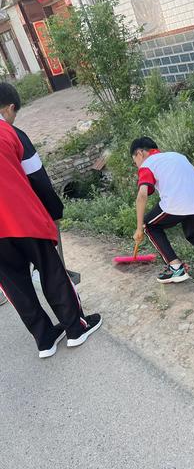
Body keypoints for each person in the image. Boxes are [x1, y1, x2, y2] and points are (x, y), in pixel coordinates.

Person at [0, 82, 101, 358]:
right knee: (51, 270)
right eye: (14, 113)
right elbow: (38, 179)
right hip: (22, 219)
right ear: (10, 108)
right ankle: (75, 328)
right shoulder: (11, 133)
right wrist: (55, 210)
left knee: (15, 286)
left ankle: (44, 339)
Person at [131, 136, 194, 283]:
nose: (137, 165)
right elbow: (191, 181)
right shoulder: (178, 156)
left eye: (134, 161)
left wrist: (139, 228)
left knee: (149, 225)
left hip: (176, 204)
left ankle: (176, 268)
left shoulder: (147, 164)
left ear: (140, 154)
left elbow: (142, 195)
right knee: (193, 232)